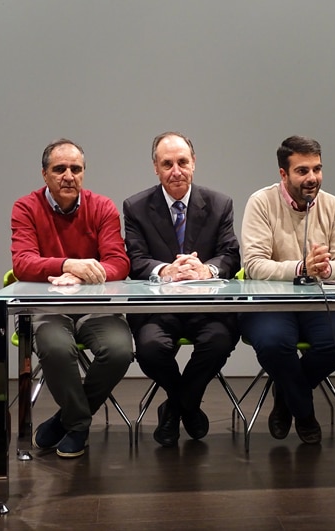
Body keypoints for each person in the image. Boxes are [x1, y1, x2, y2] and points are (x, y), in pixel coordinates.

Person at [10, 138, 134, 458]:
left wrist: (78, 275)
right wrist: (66, 264)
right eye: (59, 168)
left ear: (84, 173)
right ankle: (78, 424)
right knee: (55, 347)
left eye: (76, 169)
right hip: (51, 306)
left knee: (120, 350)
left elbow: (119, 263)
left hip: (95, 305)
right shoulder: (26, 207)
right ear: (44, 174)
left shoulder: (102, 207)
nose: (68, 175)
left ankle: (66, 419)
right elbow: (22, 263)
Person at [238, 135, 335, 445]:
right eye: (302, 171)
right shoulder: (261, 202)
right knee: (273, 343)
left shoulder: (333, 205)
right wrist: (301, 268)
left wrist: (328, 269)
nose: (312, 178)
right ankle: (304, 411)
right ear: (283, 174)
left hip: (318, 299)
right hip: (271, 302)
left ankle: (287, 395)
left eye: (317, 169)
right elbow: (253, 265)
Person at [123, 131, 241, 448]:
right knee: (149, 349)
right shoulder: (135, 207)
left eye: (182, 162)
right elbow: (134, 260)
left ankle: (174, 407)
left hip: (207, 308)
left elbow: (230, 254)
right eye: (167, 164)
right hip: (157, 309)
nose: (176, 171)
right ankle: (187, 406)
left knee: (219, 342)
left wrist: (207, 269)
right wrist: (165, 270)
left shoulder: (219, 204)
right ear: (156, 168)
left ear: (194, 163)